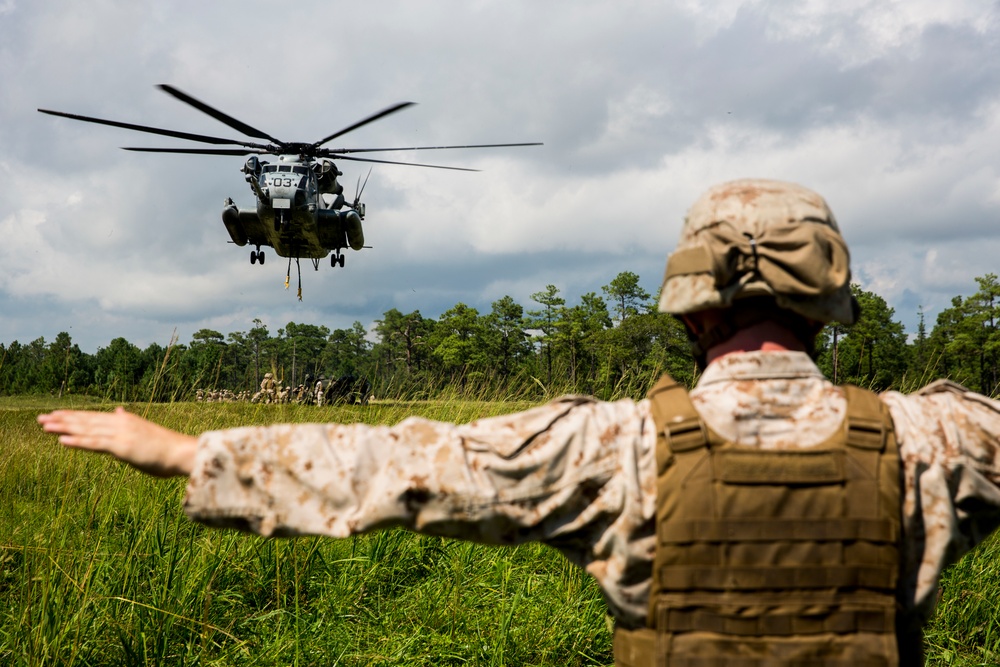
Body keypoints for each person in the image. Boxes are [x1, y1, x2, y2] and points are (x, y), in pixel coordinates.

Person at [38, 179, 1000, 666]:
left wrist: (185, 451)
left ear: (694, 310)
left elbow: (395, 465)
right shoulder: (937, 441)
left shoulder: (611, 449)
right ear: (829, 307)